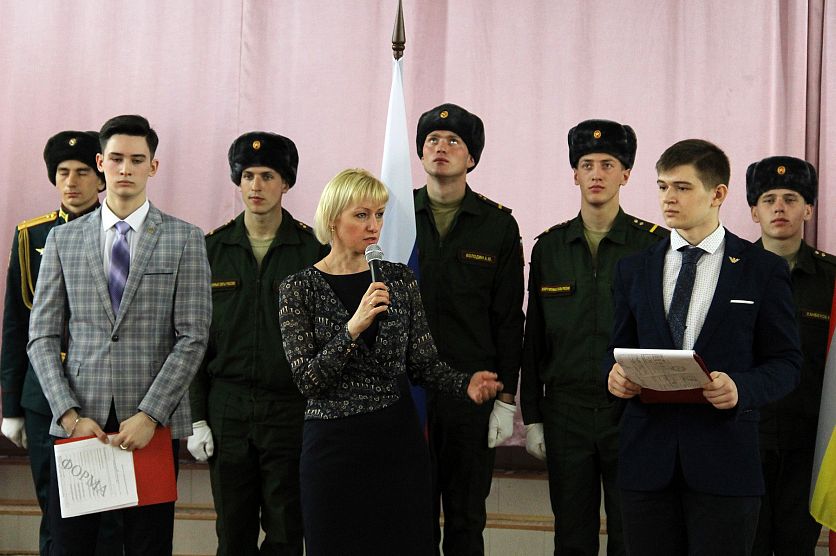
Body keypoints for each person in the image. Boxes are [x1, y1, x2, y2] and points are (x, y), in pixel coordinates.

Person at [278, 168, 503, 556]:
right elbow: (308, 380)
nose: (374, 226)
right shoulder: (298, 288)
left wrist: (463, 383)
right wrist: (353, 327)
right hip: (334, 448)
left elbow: (423, 363)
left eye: (379, 214)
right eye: (361, 215)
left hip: (396, 442)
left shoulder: (398, 280)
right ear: (333, 219)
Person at [605, 139, 802, 556]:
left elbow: (786, 363)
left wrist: (741, 388)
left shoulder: (761, 269)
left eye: (682, 187)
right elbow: (618, 347)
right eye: (662, 187)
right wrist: (616, 375)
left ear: (717, 194)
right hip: (647, 463)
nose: (668, 198)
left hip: (725, 462)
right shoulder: (633, 268)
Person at [27, 114, 211, 556]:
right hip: (80, 422)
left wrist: (151, 415)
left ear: (153, 166)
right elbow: (42, 336)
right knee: (72, 546)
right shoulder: (64, 240)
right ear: (101, 163)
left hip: (149, 425)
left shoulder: (185, 238)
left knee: (148, 546)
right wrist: (68, 414)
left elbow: (193, 336)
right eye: (116, 159)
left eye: (137, 159)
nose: (125, 169)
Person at [521, 119, 666, 555]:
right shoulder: (549, 247)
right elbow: (534, 337)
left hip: (633, 412)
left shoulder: (653, 247)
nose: (597, 174)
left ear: (626, 174)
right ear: (575, 175)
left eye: (608, 164)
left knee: (632, 533)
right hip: (566, 412)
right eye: (587, 165)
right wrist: (533, 416)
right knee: (571, 535)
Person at [187, 132, 327, 555]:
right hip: (227, 409)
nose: (256, 186)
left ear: (286, 183)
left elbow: (330, 341)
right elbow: (193, 340)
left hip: (291, 410)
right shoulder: (211, 250)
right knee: (233, 533)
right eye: (248, 176)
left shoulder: (313, 251)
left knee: (286, 532)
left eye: (268, 176)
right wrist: (196, 417)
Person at [0, 130, 124, 556]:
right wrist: (11, 406)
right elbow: (16, 324)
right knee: (53, 509)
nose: (72, 182)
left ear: (101, 176)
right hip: (44, 396)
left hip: (104, 393)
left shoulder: (121, 233)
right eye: (63, 172)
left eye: (83, 172)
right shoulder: (31, 235)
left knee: (107, 513)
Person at [413, 103, 525, 555]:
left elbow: (508, 318)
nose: (441, 147)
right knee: (411, 520)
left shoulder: (497, 225)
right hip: (408, 394)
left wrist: (506, 399)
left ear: (471, 157)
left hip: (471, 395)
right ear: (420, 153)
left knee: (465, 522)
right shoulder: (391, 216)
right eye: (432, 140)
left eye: (453, 141)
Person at [746, 156, 835, 555]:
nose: (779, 208)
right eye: (768, 199)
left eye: (791, 198)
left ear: (809, 209)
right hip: (746, 436)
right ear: (754, 211)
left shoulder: (832, 279)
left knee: (797, 546)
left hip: (809, 442)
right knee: (747, 544)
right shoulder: (730, 271)